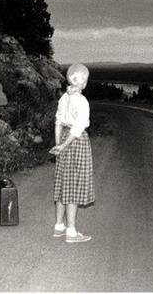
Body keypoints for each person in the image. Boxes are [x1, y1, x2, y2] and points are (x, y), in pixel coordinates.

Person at [50, 63, 95, 243]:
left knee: (62, 183)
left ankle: (58, 226)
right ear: (83, 83)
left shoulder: (64, 98)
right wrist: (65, 145)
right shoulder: (81, 101)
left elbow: (58, 122)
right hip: (77, 142)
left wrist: (58, 144)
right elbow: (77, 129)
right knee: (73, 186)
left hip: (63, 139)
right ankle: (71, 232)